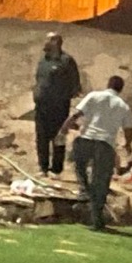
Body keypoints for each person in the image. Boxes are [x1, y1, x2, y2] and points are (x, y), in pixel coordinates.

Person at [62, 76, 132, 233]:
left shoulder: (94, 96)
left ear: (108, 84)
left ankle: (84, 191)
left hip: (86, 138)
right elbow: (129, 129)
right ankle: (97, 219)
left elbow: (77, 114)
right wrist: (128, 145)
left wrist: (64, 128)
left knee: (79, 166)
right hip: (105, 144)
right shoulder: (123, 106)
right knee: (101, 183)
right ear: (120, 89)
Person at [33, 33, 81, 177]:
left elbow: (75, 85)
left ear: (55, 42)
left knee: (58, 137)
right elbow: (39, 79)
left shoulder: (66, 61)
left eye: (48, 39)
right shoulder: (43, 61)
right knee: (41, 136)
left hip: (59, 107)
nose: (45, 42)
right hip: (42, 106)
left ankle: (56, 169)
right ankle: (43, 167)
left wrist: (61, 97)